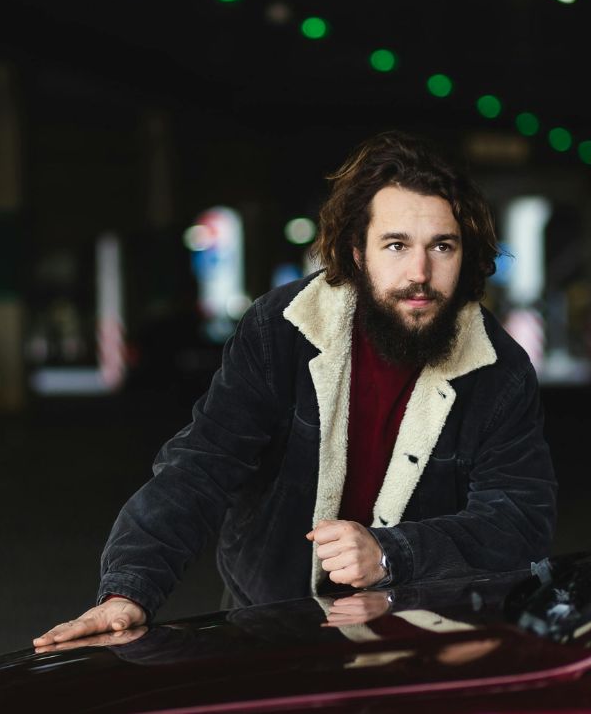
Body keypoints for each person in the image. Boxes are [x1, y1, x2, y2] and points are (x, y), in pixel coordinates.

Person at [34, 131, 556, 648]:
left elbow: (519, 517)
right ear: (357, 252)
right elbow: (201, 465)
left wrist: (392, 552)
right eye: (396, 246)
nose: (419, 273)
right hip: (270, 622)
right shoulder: (280, 329)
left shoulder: (499, 369)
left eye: (442, 246)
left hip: (424, 635)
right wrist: (128, 591)